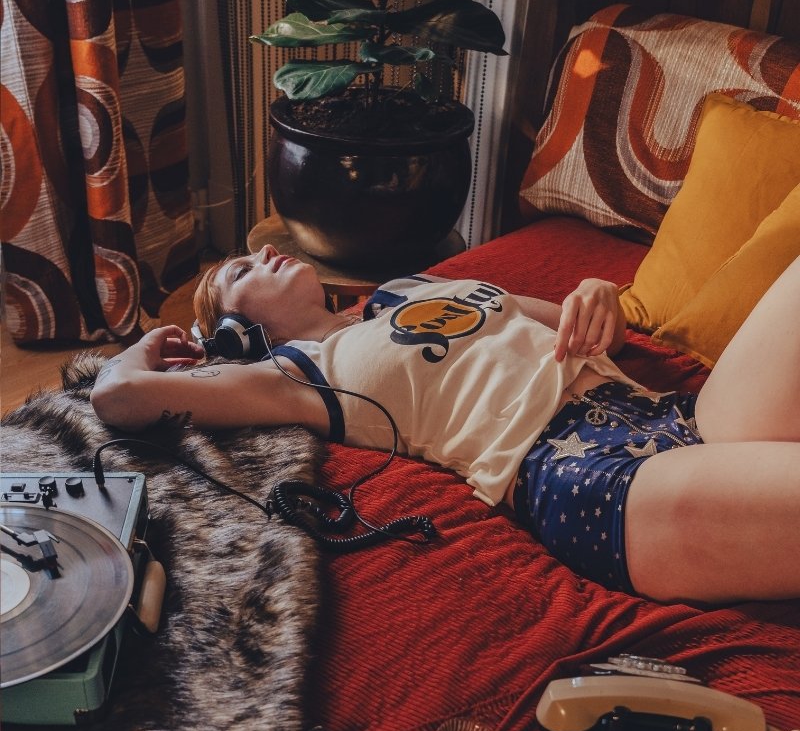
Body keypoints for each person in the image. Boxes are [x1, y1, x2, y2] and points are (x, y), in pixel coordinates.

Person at [90, 248, 800, 604]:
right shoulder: (296, 374)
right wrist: (142, 349)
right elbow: (119, 400)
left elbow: (587, 331)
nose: (263, 252)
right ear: (239, 334)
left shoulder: (411, 289)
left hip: (664, 412)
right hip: (591, 476)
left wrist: (597, 293)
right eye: (240, 271)